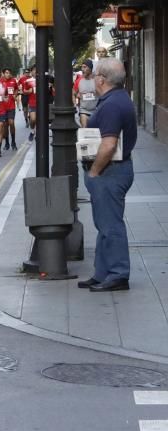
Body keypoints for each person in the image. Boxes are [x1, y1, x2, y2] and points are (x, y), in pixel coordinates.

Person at [79, 57, 136, 293]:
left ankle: (117, 274)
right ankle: (102, 273)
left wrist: (94, 171)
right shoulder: (118, 98)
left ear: (101, 79)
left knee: (110, 225)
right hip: (113, 170)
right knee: (104, 223)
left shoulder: (112, 104)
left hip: (110, 172)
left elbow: (109, 144)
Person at [74, 60, 98, 128]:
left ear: (90, 68)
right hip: (84, 111)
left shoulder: (96, 80)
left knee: (95, 132)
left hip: (96, 111)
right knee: (85, 130)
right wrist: (75, 103)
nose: (82, 69)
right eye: (82, 67)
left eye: (84, 67)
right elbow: (73, 93)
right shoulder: (78, 81)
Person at [1, 68, 20, 149]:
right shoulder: (0, 81)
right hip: (2, 106)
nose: (8, 74)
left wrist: (15, 95)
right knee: (5, 125)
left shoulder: (13, 81)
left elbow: (16, 89)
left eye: (9, 73)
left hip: (11, 105)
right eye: (6, 73)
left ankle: (13, 142)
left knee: (11, 123)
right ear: (3, 73)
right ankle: (7, 143)